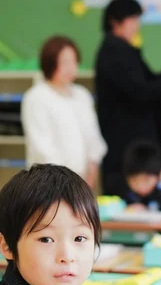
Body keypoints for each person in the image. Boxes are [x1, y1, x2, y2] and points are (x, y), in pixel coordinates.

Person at [95, 0, 161, 196]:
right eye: (133, 20)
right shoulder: (114, 52)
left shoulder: (125, 50)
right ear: (115, 21)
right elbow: (142, 91)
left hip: (134, 140)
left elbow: (151, 81)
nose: (137, 26)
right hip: (125, 143)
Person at [22, 36, 107, 190]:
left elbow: (94, 139)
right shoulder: (36, 97)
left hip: (82, 182)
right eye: (64, 62)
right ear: (50, 63)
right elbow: (42, 147)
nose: (70, 68)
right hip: (48, 183)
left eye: (74, 61)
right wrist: (64, 182)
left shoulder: (82, 95)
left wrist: (90, 175)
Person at [120, 140, 161, 213]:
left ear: (157, 175)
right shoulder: (127, 194)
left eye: (146, 180)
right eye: (135, 181)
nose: (141, 186)